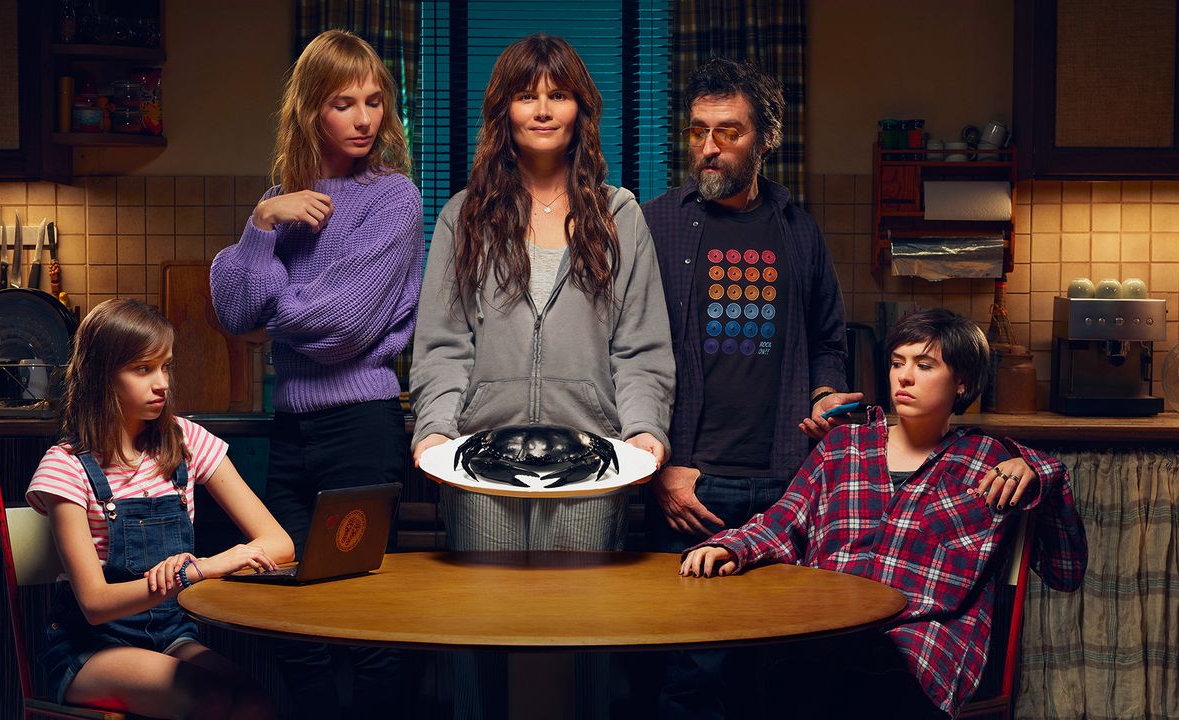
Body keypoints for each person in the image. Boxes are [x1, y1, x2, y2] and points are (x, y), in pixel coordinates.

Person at [408, 34, 674, 719]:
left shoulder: (620, 217)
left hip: (592, 465)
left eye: (559, 94)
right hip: (478, 465)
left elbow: (641, 348)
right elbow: (441, 346)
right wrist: (435, 431)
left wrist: (644, 431)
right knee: (482, 642)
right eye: (528, 94)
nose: (544, 108)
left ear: (582, 108)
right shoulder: (463, 215)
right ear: (505, 111)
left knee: (581, 646)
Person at [680, 308, 1088, 719]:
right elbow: (784, 519)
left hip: (918, 639)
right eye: (897, 363)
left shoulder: (988, 463)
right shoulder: (844, 447)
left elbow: (1065, 572)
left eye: (924, 365)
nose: (904, 377)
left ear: (962, 381)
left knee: (862, 676)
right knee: (753, 665)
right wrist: (734, 546)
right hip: (828, 627)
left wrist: (1040, 470)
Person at [209, 29, 423, 719]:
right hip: (292, 431)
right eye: (343, 103)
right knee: (289, 612)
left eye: (373, 102)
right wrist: (261, 222)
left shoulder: (395, 200)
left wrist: (273, 297)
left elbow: (340, 328)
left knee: (365, 621)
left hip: (361, 429)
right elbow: (235, 310)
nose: (364, 118)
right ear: (309, 110)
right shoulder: (282, 201)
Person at [639, 56, 857, 720]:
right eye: (699, 130)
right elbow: (625, 359)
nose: (709, 147)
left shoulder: (798, 230)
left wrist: (826, 395)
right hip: (691, 487)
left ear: (765, 138)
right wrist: (662, 469)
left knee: (777, 673)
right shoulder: (656, 225)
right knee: (689, 673)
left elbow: (828, 341)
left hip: (785, 486)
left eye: (728, 131)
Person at [26, 298, 294, 718]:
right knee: (208, 698)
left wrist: (218, 563)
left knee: (255, 702)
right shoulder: (66, 466)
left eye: (165, 366)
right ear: (101, 376)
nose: (162, 384)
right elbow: (95, 604)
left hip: (172, 634)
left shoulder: (184, 440)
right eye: (142, 369)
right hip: (91, 648)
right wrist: (197, 571)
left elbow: (279, 543)